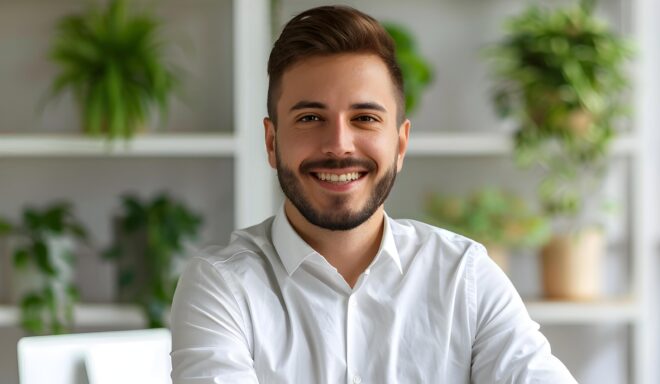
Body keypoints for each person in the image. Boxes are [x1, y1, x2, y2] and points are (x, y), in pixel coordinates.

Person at [168, 5, 575, 383]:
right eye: (310, 118)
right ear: (272, 143)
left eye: (364, 118)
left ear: (400, 145)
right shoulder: (222, 286)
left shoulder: (463, 276)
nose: (339, 144)